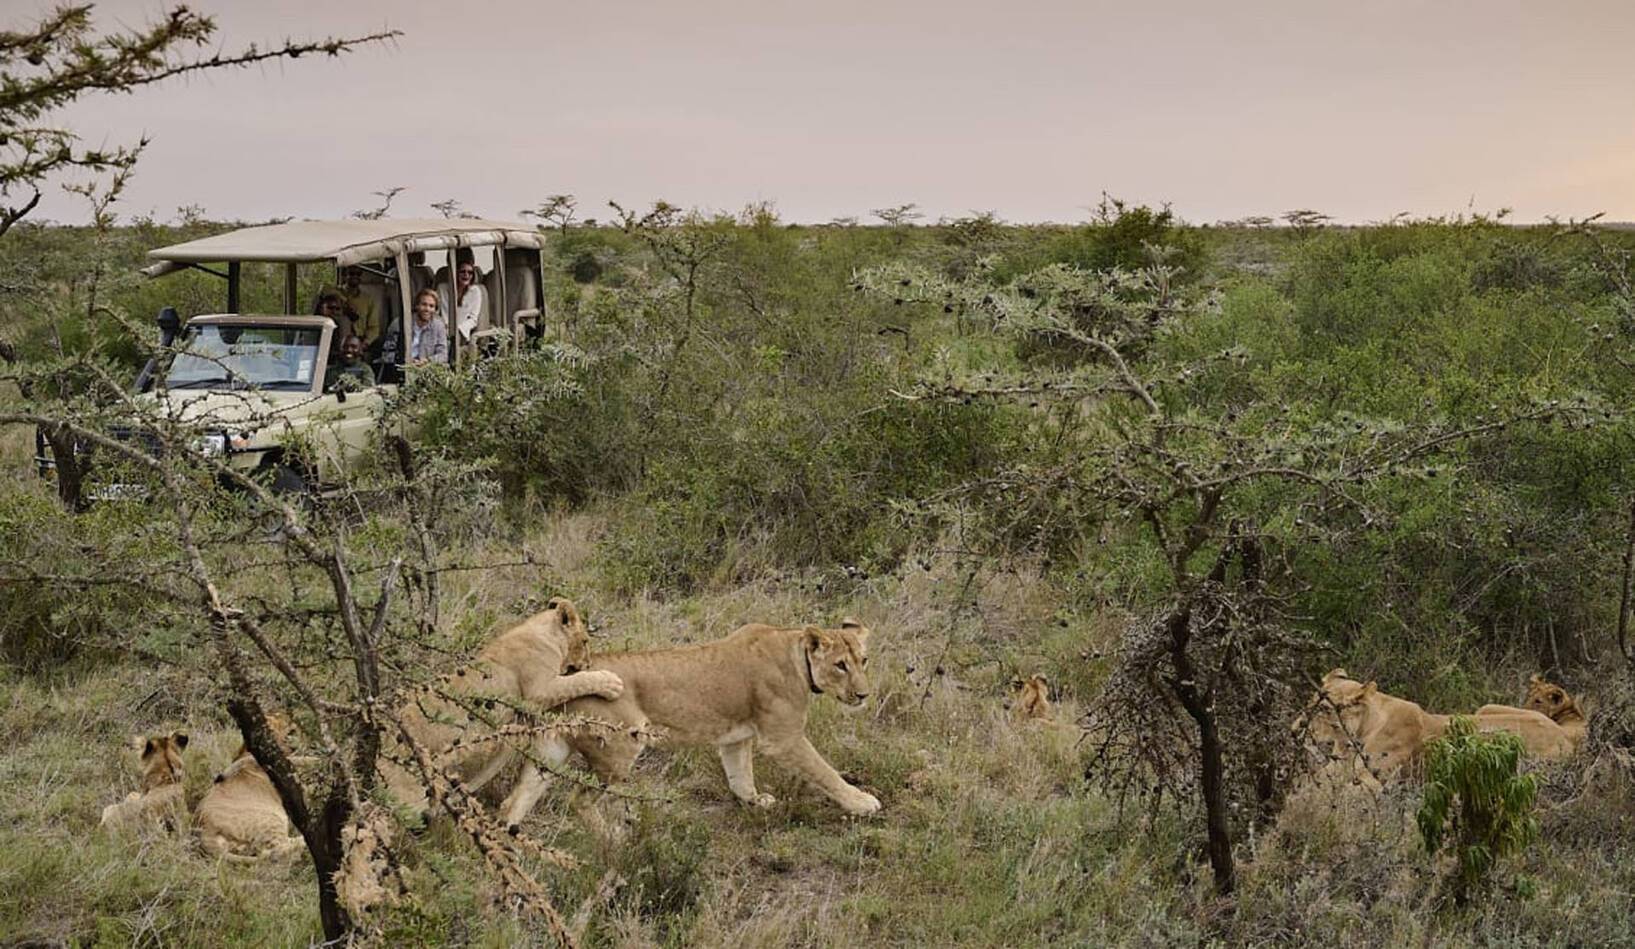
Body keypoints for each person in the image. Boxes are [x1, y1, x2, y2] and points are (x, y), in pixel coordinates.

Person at [439, 259, 486, 343]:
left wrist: (459, 330)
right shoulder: (442, 288)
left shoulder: (475, 291)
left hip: (462, 333)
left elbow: (473, 319)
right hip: (442, 332)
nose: (466, 275)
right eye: (462, 271)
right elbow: (436, 313)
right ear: (456, 273)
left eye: (470, 272)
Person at [339, 266, 383, 354]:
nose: (355, 276)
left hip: (359, 341)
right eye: (351, 274)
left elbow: (374, 328)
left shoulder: (368, 299)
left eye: (358, 274)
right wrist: (345, 302)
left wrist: (364, 344)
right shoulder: (336, 293)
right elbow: (324, 289)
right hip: (339, 340)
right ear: (344, 276)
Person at [407, 288, 449, 365]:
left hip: (425, 369)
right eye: (424, 304)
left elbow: (443, 355)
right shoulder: (402, 322)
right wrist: (407, 360)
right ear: (417, 305)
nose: (427, 309)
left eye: (431, 306)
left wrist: (426, 361)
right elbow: (388, 353)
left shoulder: (439, 326)